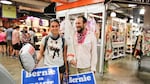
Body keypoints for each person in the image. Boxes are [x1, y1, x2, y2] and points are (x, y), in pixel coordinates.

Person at [36, 19, 68, 83]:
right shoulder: (45, 39)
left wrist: (66, 70)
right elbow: (40, 54)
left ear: (59, 27)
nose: (54, 28)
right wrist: (34, 64)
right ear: (50, 28)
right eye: (52, 26)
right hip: (48, 67)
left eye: (56, 26)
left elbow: (64, 56)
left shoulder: (63, 40)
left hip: (60, 67)